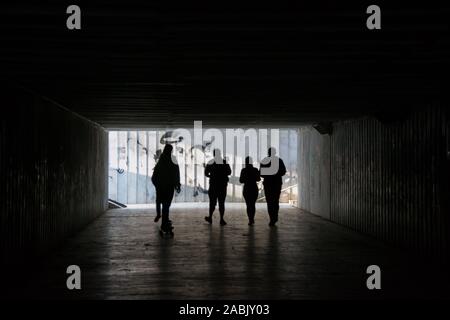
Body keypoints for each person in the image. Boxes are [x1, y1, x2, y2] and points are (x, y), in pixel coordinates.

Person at [151, 144, 181, 232]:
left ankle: (162, 218)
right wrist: (177, 184)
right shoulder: (173, 159)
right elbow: (176, 173)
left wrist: (157, 185)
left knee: (161, 202)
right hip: (169, 186)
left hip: (161, 186)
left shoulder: (161, 160)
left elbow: (154, 175)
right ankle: (164, 224)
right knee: (166, 205)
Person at [260, 147, 286, 226]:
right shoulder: (279, 161)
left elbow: (261, 173)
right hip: (277, 184)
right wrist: (276, 174)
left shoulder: (264, 161)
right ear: (275, 153)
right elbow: (283, 171)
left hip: (268, 184)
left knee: (269, 202)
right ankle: (275, 217)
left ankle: (272, 218)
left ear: (268, 153)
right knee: (275, 201)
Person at [204, 149, 231, 226]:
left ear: (214, 154)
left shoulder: (210, 162)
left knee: (212, 203)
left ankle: (210, 217)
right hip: (222, 186)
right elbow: (229, 172)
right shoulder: (224, 162)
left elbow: (206, 173)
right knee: (221, 203)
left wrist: (211, 176)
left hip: (213, 185)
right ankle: (221, 219)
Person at [239, 156, 261, 225]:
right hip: (254, 188)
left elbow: (241, 180)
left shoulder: (243, 170)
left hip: (247, 188)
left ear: (245, 162)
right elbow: (258, 179)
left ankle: (250, 219)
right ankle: (252, 218)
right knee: (253, 204)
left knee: (248, 205)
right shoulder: (255, 170)